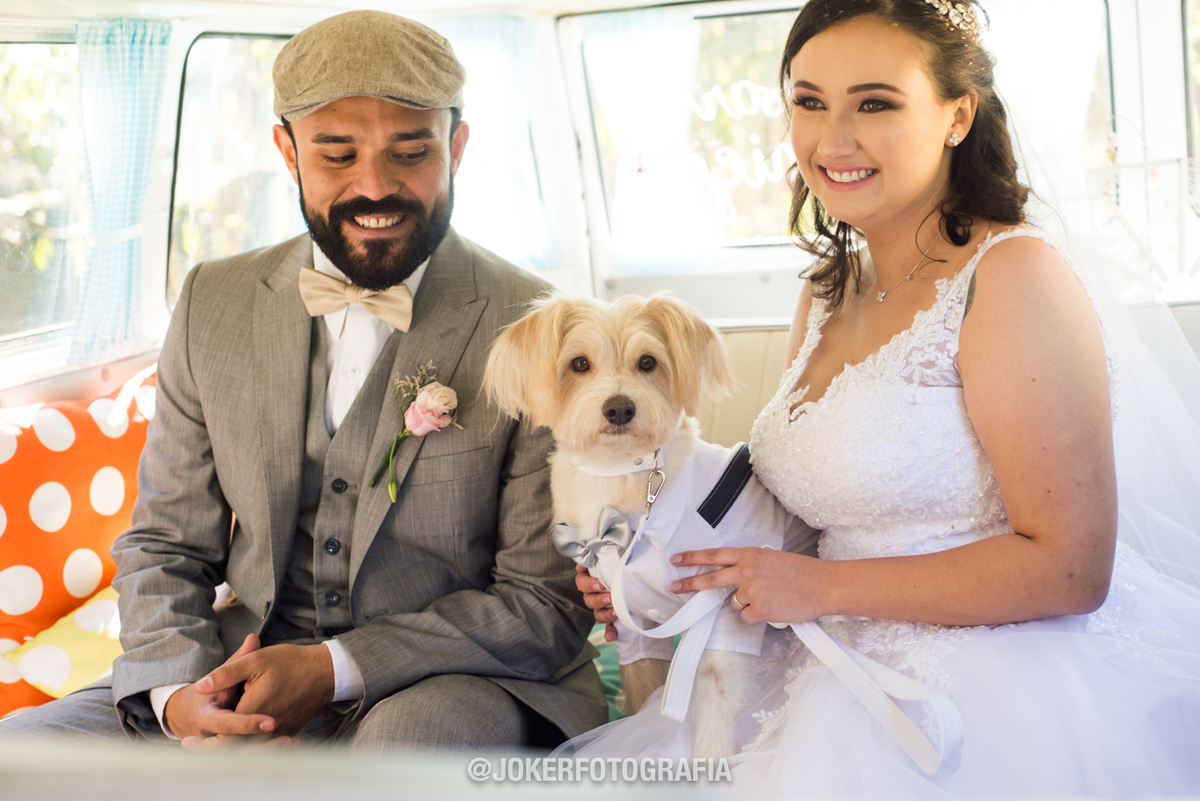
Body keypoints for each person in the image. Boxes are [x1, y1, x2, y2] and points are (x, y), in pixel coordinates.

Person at [564, 0, 1200, 795]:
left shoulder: (1012, 280)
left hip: (991, 684)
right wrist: (653, 570)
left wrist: (823, 588)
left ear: (957, 113)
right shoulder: (826, 291)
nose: (833, 140)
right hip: (811, 660)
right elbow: (796, 515)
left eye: (875, 103)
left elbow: (1072, 567)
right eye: (808, 102)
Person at [0, 10, 606, 750]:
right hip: (238, 663)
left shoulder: (539, 326)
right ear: (287, 152)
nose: (374, 187)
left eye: (410, 152)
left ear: (457, 146)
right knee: (22, 751)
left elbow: (542, 603)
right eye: (337, 155)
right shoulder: (211, 302)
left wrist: (332, 666)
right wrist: (183, 699)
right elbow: (163, 543)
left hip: (457, 675)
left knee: (394, 754)